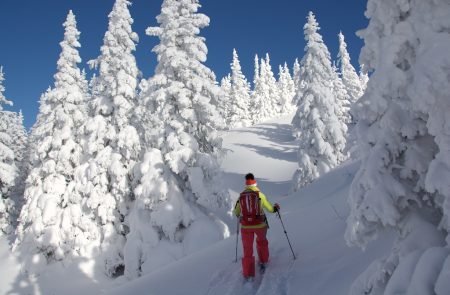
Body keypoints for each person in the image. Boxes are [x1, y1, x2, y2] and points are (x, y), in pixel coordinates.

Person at [233, 173, 280, 279]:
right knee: (261, 242)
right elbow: (270, 208)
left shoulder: (241, 196)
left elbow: (236, 211)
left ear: (246, 183)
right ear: (254, 182)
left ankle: (248, 273)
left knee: (247, 249)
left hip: (245, 227)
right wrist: (275, 208)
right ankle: (263, 261)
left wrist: (241, 215)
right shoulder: (259, 194)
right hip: (260, 224)